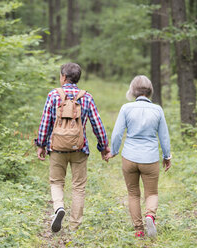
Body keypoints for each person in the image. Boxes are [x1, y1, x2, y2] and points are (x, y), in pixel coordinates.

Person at [35, 62, 110, 232]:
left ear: (63, 77)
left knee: (56, 182)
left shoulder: (53, 95)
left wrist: (41, 144)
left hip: (57, 148)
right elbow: (97, 125)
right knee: (78, 187)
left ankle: (59, 207)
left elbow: (45, 123)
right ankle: (75, 226)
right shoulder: (86, 97)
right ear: (77, 79)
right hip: (79, 149)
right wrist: (103, 147)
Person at [105, 75, 171, 238]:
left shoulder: (126, 108)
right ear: (150, 91)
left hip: (130, 157)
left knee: (133, 193)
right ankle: (150, 216)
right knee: (152, 193)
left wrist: (113, 151)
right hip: (150, 158)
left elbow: (117, 134)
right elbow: (164, 136)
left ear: (133, 91)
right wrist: (167, 156)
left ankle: (139, 230)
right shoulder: (157, 110)